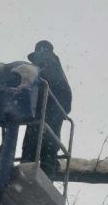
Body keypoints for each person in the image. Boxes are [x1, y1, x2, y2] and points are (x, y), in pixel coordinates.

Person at [22, 40, 72, 175]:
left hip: (45, 104)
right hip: (57, 105)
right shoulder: (57, 65)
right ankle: (48, 169)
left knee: (34, 137)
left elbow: (43, 77)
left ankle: (28, 168)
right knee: (51, 138)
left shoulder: (43, 58)